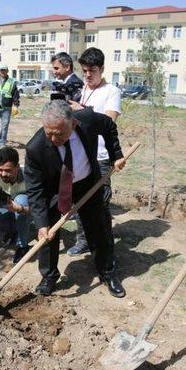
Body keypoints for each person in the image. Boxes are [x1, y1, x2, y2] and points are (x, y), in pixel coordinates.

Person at [24, 100, 127, 298]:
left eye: (59, 133)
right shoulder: (35, 149)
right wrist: (41, 223)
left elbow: (109, 126)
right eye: (49, 132)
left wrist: (116, 154)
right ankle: (49, 277)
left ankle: (106, 272)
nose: (53, 138)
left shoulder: (86, 120)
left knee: (97, 228)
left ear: (72, 124)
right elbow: (35, 189)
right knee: (48, 234)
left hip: (87, 183)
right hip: (54, 190)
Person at [66, 47, 121, 256]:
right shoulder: (84, 89)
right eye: (85, 70)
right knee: (79, 200)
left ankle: (105, 245)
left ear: (102, 69)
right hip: (82, 154)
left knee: (100, 203)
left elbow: (108, 121)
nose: (88, 75)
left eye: (93, 70)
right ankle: (83, 240)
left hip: (101, 157)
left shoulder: (112, 92)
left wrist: (83, 112)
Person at [0, 146, 31, 264]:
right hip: (6, 205)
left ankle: (22, 245)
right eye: (0, 169)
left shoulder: (29, 176)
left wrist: (21, 208)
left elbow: (39, 207)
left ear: (17, 167)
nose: (3, 174)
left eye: (8, 170)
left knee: (21, 199)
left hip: (24, 208)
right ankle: (13, 229)